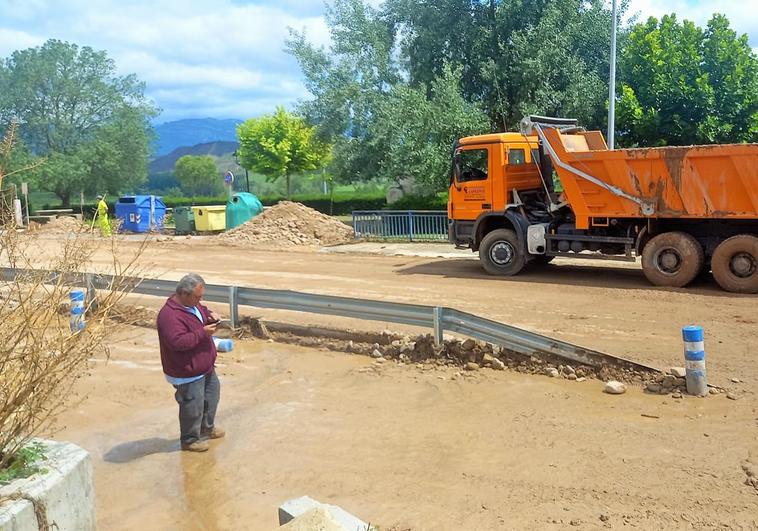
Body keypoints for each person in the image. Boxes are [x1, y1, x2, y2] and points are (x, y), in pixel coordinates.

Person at [157, 273, 226, 452]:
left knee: (211, 398)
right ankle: (189, 439)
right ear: (184, 294)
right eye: (197, 297)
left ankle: (206, 428)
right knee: (192, 407)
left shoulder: (193, 306)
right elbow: (177, 342)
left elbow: (202, 312)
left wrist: (210, 315)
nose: (200, 300)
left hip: (204, 366)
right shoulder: (169, 316)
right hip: (187, 371)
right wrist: (203, 333)